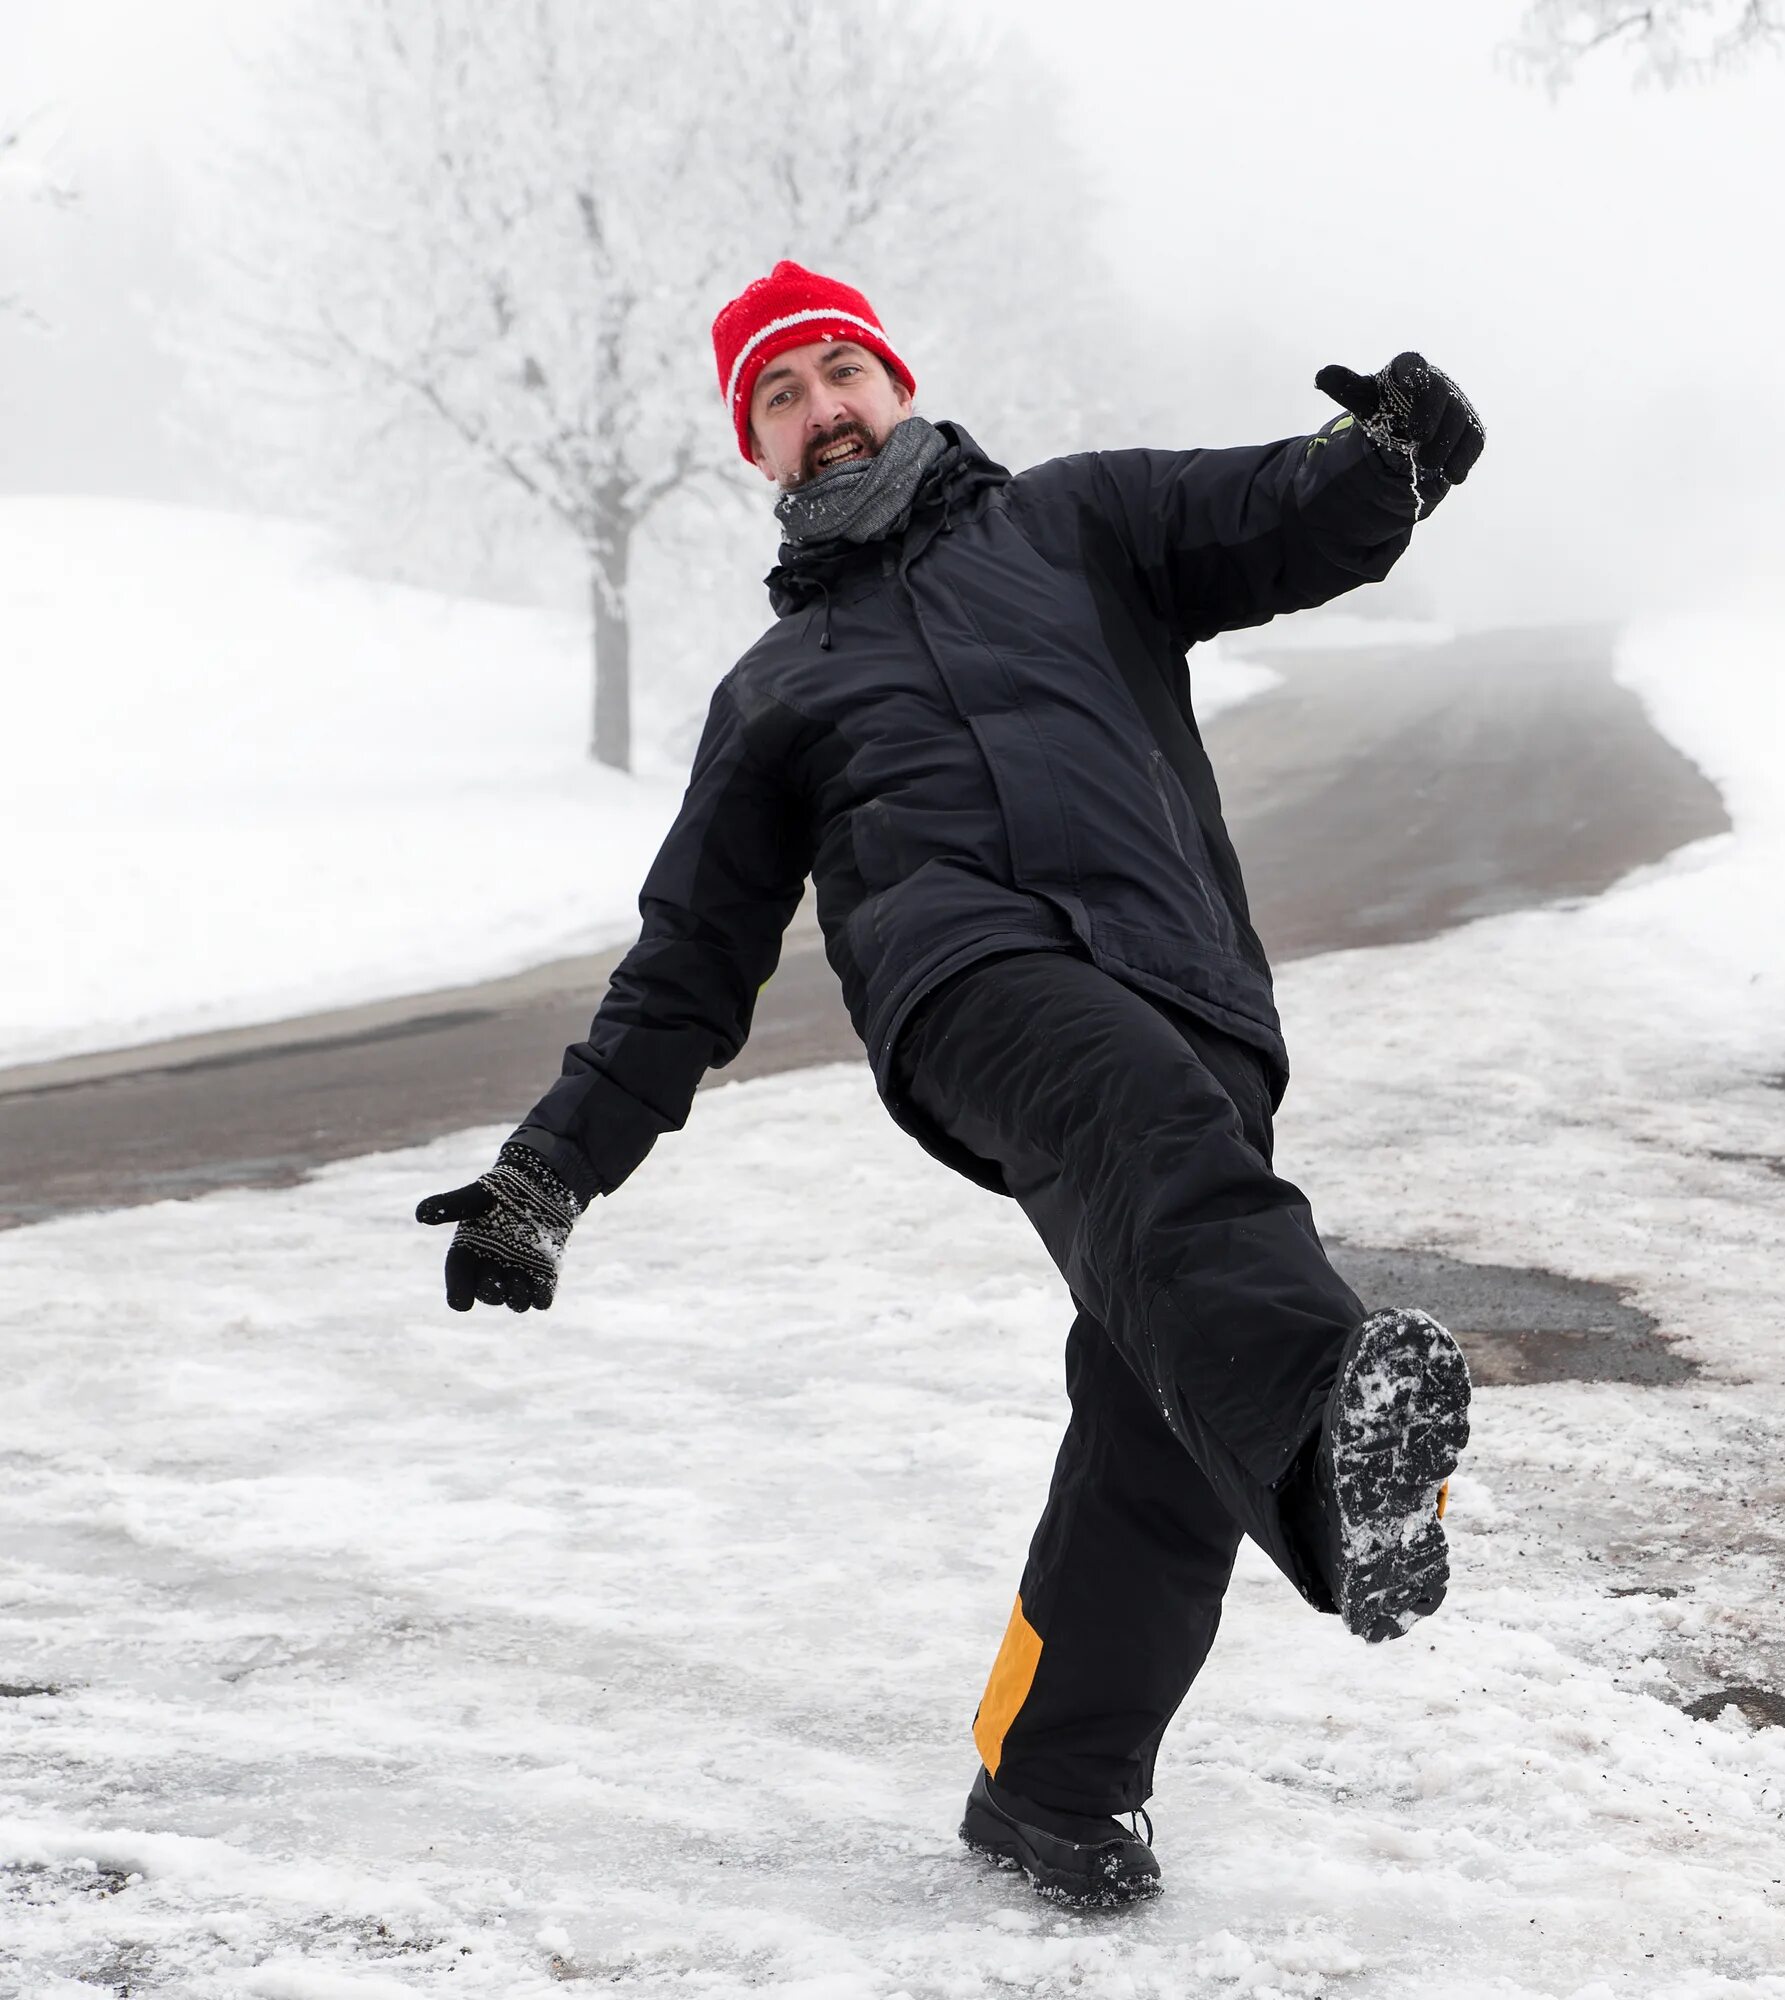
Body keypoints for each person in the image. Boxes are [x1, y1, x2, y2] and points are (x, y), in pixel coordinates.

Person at [415, 261, 1487, 1907]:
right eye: (780, 396)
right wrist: (549, 1173)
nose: (821, 409)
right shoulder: (775, 695)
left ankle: (1053, 1783)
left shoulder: (1078, 523)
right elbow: (685, 965)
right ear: (754, 453)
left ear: (897, 386)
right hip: (965, 990)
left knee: (1157, 1396)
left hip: (1192, 984)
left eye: (839, 372)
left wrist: (1386, 460)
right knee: (1151, 1151)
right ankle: (1333, 1432)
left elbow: (1272, 512)